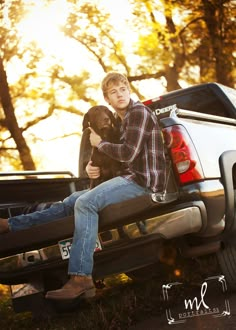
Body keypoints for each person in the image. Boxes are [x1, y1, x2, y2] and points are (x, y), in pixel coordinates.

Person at [0, 72, 166, 300]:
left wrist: (101, 143)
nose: (120, 95)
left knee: (85, 203)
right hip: (127, 178)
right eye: (113, 92)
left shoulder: (137, 112)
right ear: (107, 99)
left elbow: (128, 153)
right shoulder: (119, 120)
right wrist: (91, 166)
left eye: (123, 89)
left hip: (143, 182)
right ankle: (11, 225)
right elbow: (116, 158)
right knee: (70, 201)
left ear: (130, 90)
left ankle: (81, 278)